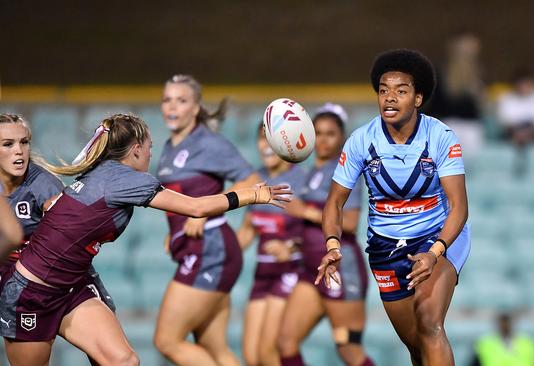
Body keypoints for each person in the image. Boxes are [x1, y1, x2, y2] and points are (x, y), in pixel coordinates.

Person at [0, 113, 290, 366]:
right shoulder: (128, 180)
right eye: (149, 148)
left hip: (71, 286)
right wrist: (253, 194)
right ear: (136, 150)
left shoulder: (101, 172)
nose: (151, 155)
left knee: (124, 361)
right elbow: (197, 207)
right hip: (32, 293)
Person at [316, 50, 471, 366]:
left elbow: (459, 207)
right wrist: (332, 245)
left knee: (429, 323)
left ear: (418, 98)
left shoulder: (440, 137)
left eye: (401, 91)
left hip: (436, 239)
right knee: (417, 346)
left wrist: (435, 251)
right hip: (386, 248)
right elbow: (334, 203)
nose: (389, 98)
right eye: (384, 90)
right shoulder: (361, 141)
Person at [153, 74, 263, 366]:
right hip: (199, 249)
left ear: (196, 107)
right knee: (215, 349)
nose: (172, 106)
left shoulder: (209, 143)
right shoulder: (169, 147)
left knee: (167, 341)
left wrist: (209, 209)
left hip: (209, 249)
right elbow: (178, 198)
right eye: (167, 100)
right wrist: (173, 227)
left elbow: (253, 182)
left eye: (182, 100)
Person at [278, 104, 375, 366]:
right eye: (317, 132)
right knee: (286, 342)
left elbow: (352, 222)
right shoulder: (311, 173)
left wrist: (306, 211)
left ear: (341, 138)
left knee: (348, 349)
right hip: (310, 269)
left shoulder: (344, 171)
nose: (322, 139)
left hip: (340, 270)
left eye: (330, 133)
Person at [0, 114, 116, 318]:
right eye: (8, 144)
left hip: (48, 280)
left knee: (113, 347)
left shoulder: (43, 186)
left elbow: (71, 238)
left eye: (24, 142)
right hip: (11, 281)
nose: (19, 150)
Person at [237, 124, 307, 366]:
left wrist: (290, 248)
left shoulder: (302, 179)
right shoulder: (256, 180)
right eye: (261, 139)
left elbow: (319, 232)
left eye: (272, 140)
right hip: (262, 274)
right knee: (251, 356)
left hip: (290, 272)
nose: (264, 146)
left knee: (270, 352)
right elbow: (247, 231)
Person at [421, 31, 485, 157]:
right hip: (449, 122)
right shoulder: (443, 71)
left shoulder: (477, 73)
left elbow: (480, 106)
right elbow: (434, 102)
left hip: (471, 124)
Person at [497, 70, 534, 147]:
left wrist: (529, 134)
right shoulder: (506, 97)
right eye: (521, 84)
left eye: (527, 84)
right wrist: (518, 134)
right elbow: (505, 124)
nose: (524, 87)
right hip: (512, 137)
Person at [470, 313, 534, 366]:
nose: (505, 327)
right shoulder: (485, 343)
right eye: (502, 324)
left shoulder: (527, 342)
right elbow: (475, 362)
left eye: (507, 324)